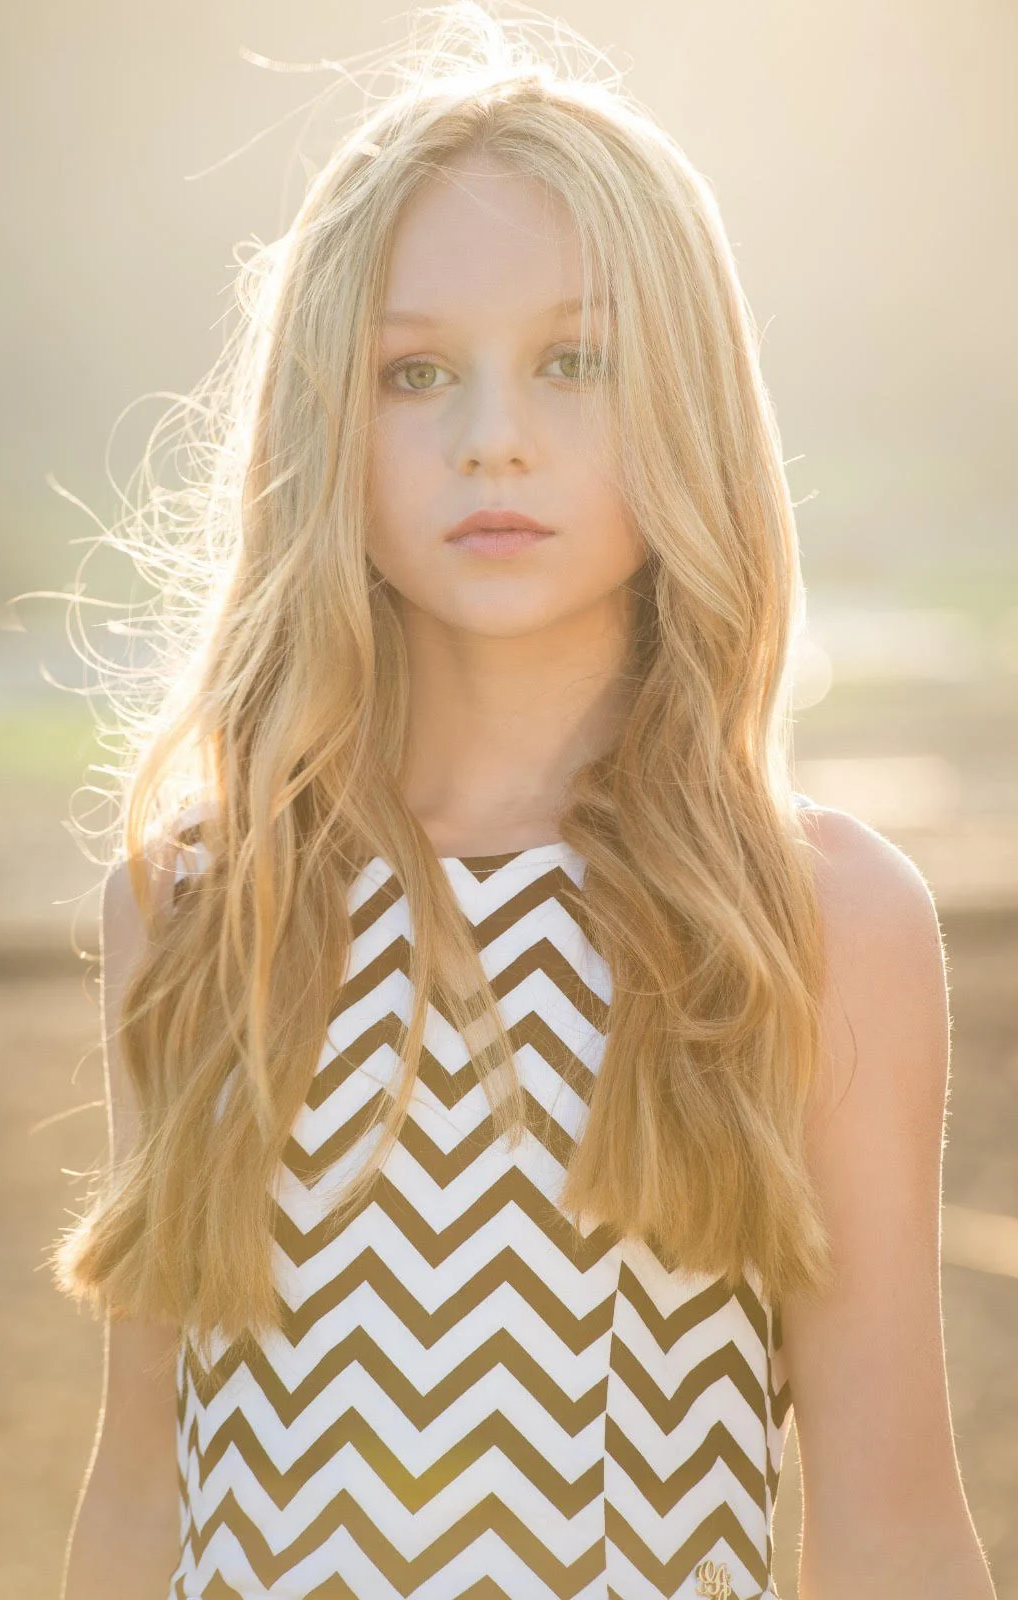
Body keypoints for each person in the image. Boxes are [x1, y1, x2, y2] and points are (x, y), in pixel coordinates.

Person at [54, 5, 996, 1598]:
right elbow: (139, 1493)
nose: (494, 440)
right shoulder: (201, 904)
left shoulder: (820, 918)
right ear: (319, 430)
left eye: (575, 360)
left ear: (691, 399)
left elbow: (893, 1520)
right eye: (415, 372)